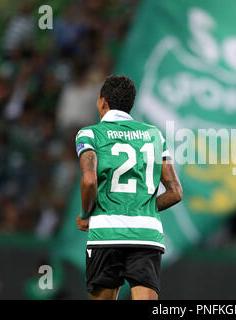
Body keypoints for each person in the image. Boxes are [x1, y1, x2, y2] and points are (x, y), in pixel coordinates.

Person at [75, 75, 183, 300]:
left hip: (106, 233)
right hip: (146, 234)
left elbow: (88, 180)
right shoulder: (154, 135)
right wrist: (141, 207)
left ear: (102, 102)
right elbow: (175, 193)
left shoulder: (90, 134)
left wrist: (86, 214)